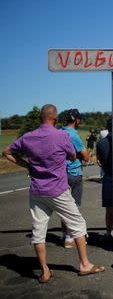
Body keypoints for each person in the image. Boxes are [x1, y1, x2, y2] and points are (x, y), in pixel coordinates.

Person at [2, 104, 105, 283]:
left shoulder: (28, 137)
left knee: (38, 231)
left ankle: (45, 271)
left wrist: (27, 165)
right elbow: (73, 156)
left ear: (40, 118)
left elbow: (7, 152)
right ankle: (84, 264)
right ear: (55, 119)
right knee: (78, 224)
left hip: (37, 190)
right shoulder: (61, 135)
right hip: (58, 189)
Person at [61, 108, 89, 248]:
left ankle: (65, 234)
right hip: (74, 172)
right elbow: (85, 156)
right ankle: (70, 237)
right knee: (74, 206)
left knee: (63, 206)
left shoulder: (59, 132)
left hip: (60, 173)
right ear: (77, 120)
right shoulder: (73, 135)